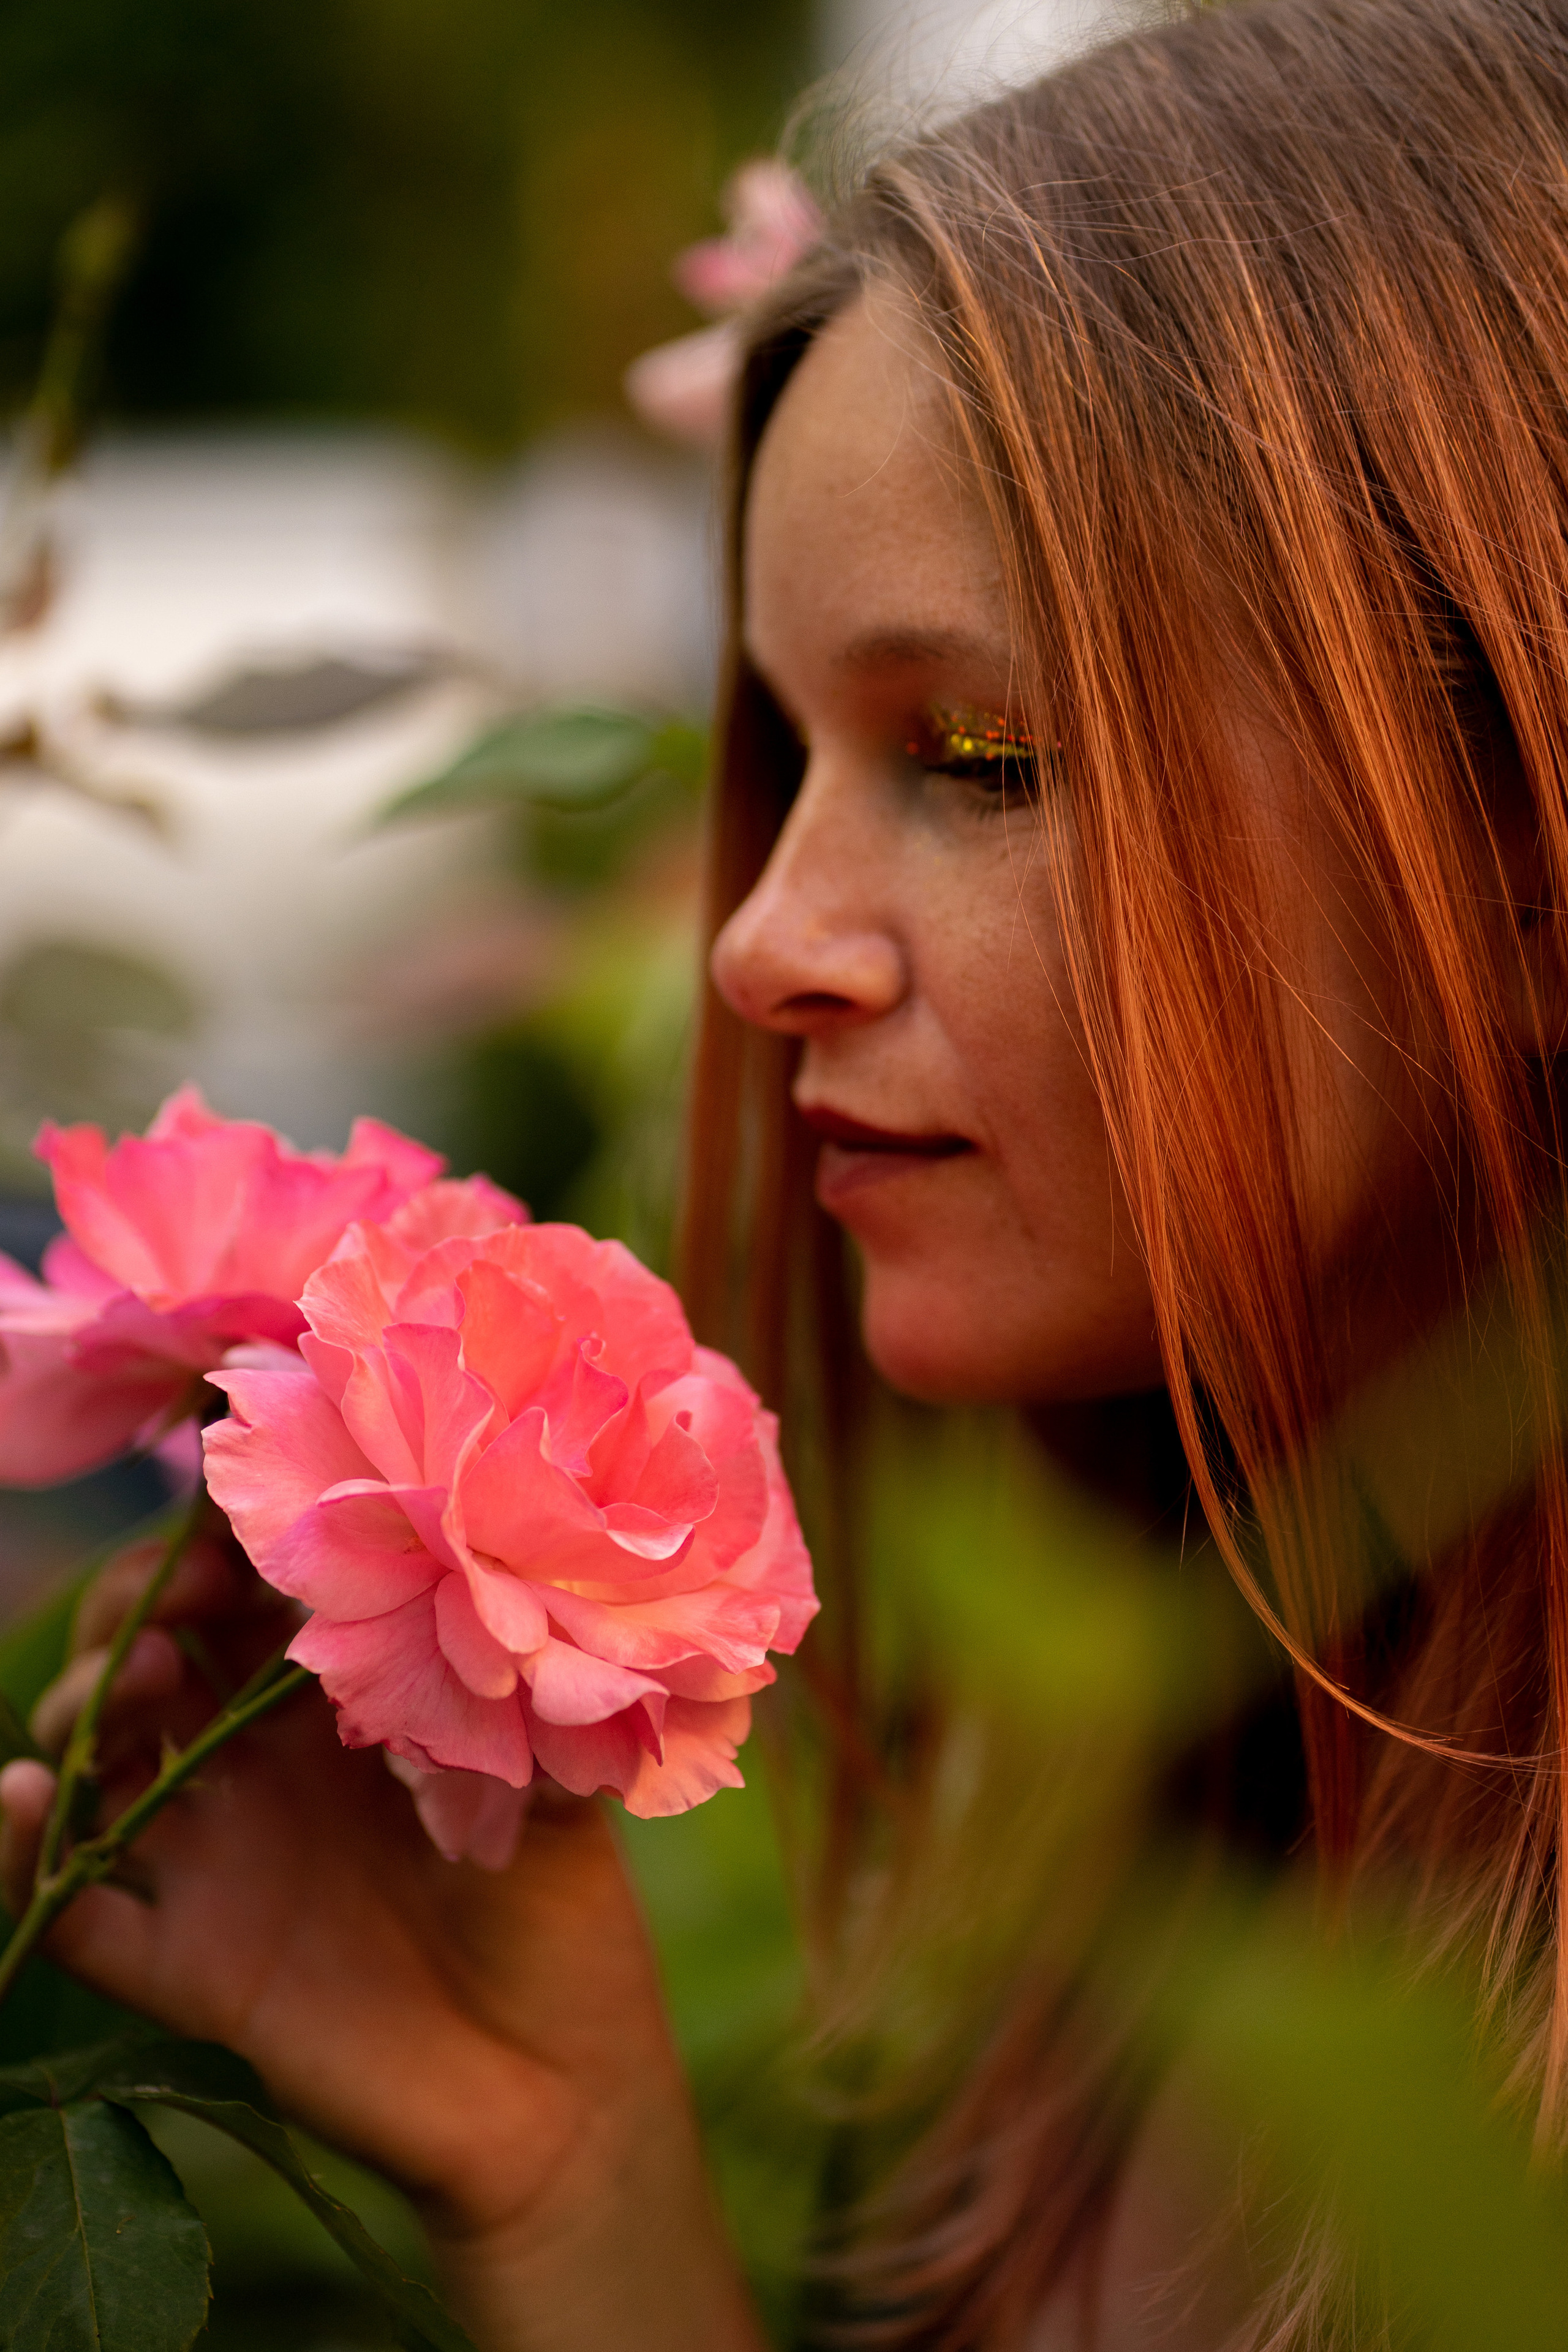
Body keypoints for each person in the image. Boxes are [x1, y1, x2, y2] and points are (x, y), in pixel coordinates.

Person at [5, 0, 1568, 2342]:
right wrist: (576, 2166)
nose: (753, 947)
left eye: (983, 751)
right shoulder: (1158, 1866)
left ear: (1524, 854)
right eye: (789, 751)